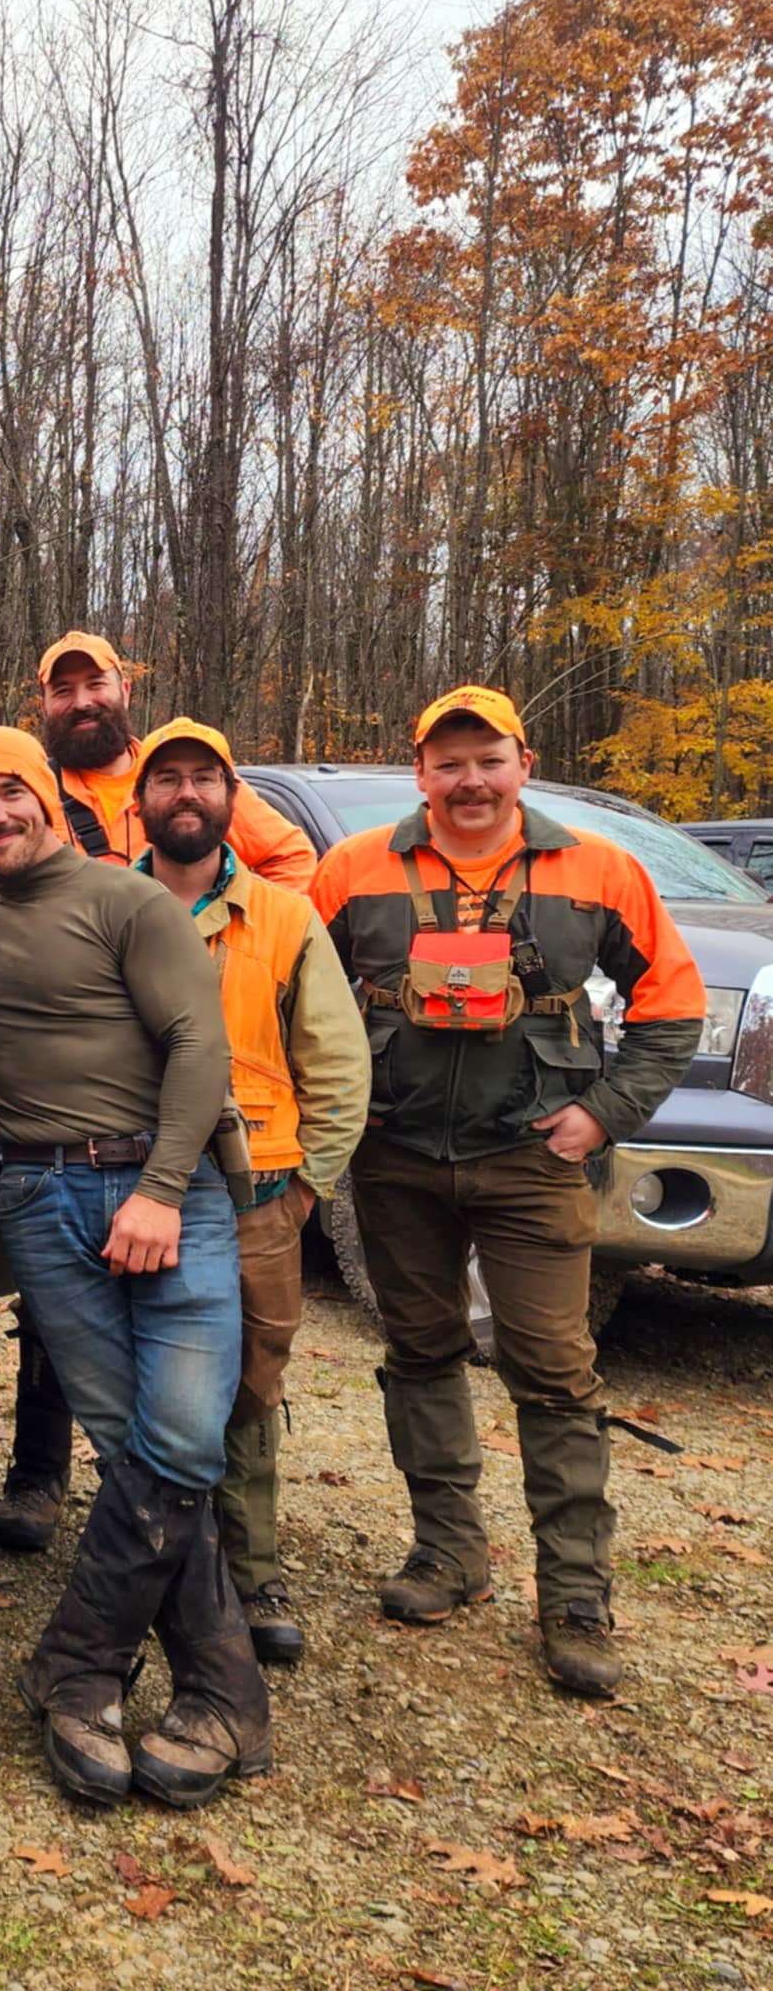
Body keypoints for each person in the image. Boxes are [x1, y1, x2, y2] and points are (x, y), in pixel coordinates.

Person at [0, 727, 270, 1811]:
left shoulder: (130, 902)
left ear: (50, 806)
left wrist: (160, 1187)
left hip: (170, 1193)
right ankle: (222, 1691)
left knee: (185, 1435)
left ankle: (77, 1663)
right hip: (39, 1197)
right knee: (136, 1444)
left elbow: (200, 1045)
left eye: (13, 792)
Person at [311, 686, 705, 1697]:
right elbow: (294, 995)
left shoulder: (598, 868)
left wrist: (604, 1112)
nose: (470, 780)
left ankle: (576, 1594)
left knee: (553, 1368)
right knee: (421, 1351)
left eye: (488, 758)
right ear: (421, 773)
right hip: (395, 1159)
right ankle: (449, 1552)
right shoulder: (355, 870)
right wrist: (333, 1110)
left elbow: (673, 1004)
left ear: (523, 762)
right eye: (449, 762)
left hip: (535, 1160)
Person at [0, 631, 316, 1554]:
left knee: (200, 1411)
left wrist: (237, 935)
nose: (82, 699)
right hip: (43, 1171)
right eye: (65, 687)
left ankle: (163, 1611)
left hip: (172, 1151)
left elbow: (281, 885)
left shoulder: (164, 818)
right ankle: (57, 1505)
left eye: (96, 683)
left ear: (119, 689)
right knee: (106, 1400)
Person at [133, 718, 369, 1665]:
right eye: (167, 781)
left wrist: (306, 1186)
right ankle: (153, 1567)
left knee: (249, 1385)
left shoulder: (283, 916)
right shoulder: (106, 906)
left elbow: (337, 1062)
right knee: (140, 1382)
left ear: (232, 797)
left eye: (204, 779)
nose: (185, 795)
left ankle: (251, 1565)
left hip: (256, 1192)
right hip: (132, 1189)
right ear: (138, 803)